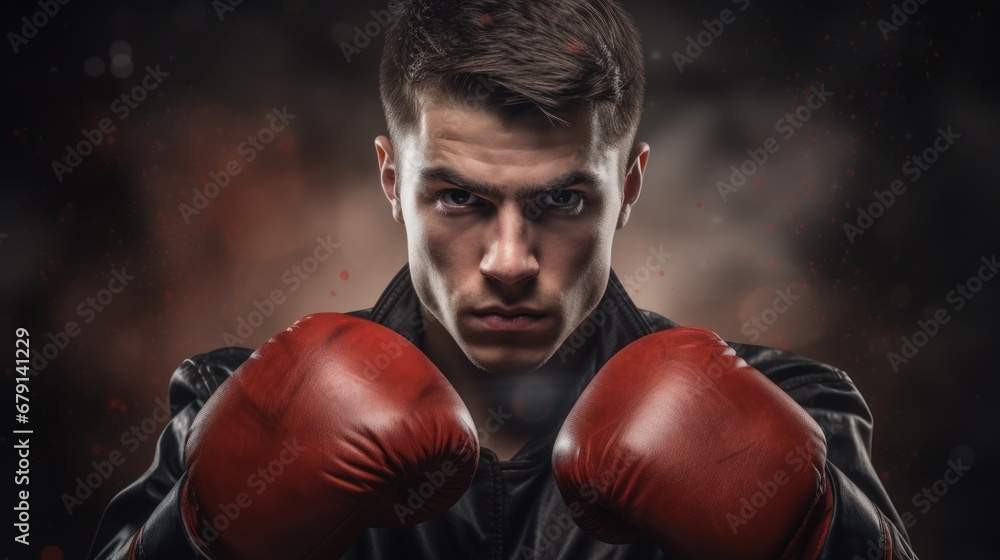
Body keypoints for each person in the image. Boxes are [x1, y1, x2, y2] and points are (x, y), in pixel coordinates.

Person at [90, 1, 918, 558]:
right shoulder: (234, 402)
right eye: (458, 198)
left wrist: (815, 529)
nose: (512, 262)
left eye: (562, 199)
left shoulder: (793, 407)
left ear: (628, 186)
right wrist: (201, 533)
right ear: (391, 181)